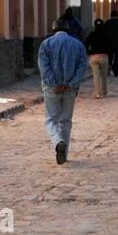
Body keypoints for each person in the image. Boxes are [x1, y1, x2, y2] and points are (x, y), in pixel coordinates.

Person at [37, 18, 88, 165]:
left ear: (53, 30)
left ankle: (58, 141)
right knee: (65, 121)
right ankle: (64, 153)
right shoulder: (78, 45)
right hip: (70, 89)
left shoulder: (46, 44)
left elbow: (44, 67)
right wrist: (71, 83)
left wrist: (54, 83)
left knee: (50, 120)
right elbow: (82, 67)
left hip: (51, 89)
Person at [83, 18, 112, 99]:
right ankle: (104, 91)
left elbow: (86, 43)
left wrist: (88, 52)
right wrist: (110, 59)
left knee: (96, 75)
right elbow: (110, 47)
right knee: (103, 76)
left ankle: (97, 93)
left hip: (94, 57)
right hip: (104, 56)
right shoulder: (106, 34)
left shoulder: (91, 34)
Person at [103, 9, 118, 78]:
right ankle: (116, 71)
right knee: (117, 58)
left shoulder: (107, 22)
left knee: (109, 58)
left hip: (109, 44)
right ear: (117, 15)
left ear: (110, 15)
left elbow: (104, 33)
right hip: (117, 43)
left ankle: (108, 71)